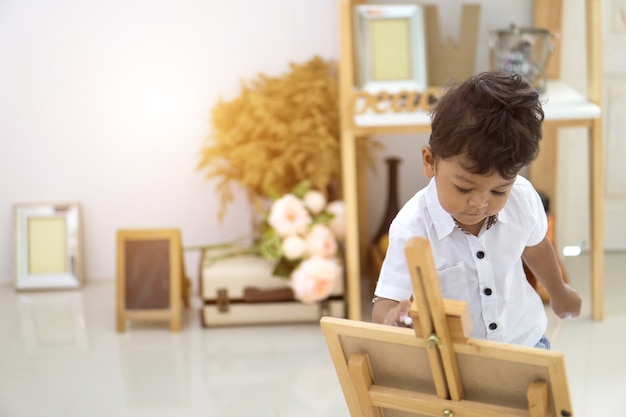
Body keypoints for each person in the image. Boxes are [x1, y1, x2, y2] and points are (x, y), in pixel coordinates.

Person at [371, 72, 581, 348]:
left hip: (526, 341)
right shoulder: (412, 227)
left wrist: (558, 291)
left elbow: (536, 246)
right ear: (429, 161)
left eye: (498, 191)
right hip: (457, 357)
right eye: (464, 188)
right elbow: (385, 303)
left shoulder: (522, 197)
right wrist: (392, 320)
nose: (480, 204)